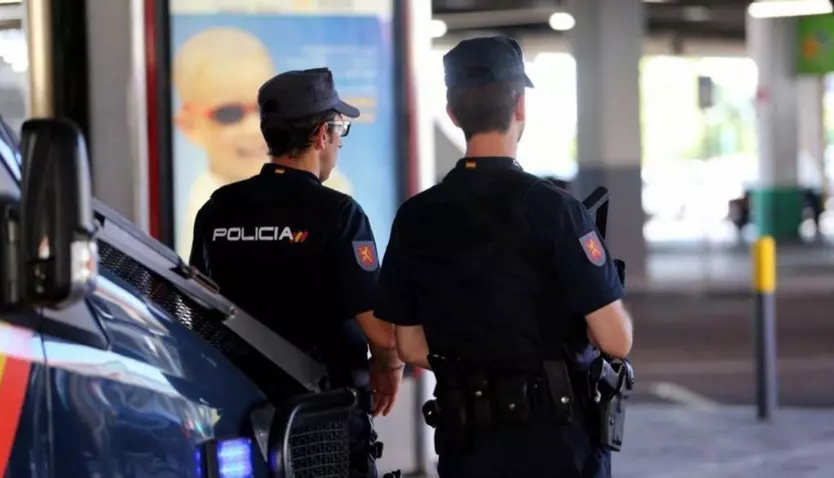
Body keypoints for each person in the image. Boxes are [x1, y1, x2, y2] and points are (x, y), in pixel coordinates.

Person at [374, 36, 634, 478]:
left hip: (465, 445)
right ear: (520, 107)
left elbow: (410, 346)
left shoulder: (416, 216)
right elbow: (616, 340)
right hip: (556, 447)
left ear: (453, 113)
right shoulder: (556, 210)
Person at [188, 67, 403, 478]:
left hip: (238, 419)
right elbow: (381, 333)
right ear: (322, 135)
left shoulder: (217, 209)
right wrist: (389, 367)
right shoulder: (339, 214)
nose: (339, 141)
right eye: (339, 130)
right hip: (321, 424)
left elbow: (197, 310)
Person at [172, 27, 353, 259]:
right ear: (188, 125)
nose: (254, 127)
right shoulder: (204, 212)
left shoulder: (335, 192)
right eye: (229, 114)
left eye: (265, 110)